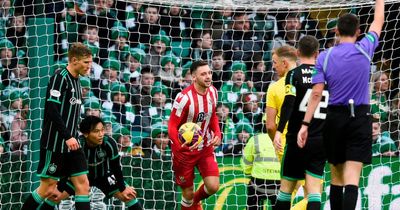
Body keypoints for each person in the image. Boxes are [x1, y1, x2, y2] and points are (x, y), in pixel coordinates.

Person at [297, 1, 384, 209]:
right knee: (352, 178)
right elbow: (379, 20)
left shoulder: (324, 57)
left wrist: (305, 124)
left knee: (336, 177)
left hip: (334, 118)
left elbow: (316, 93)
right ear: (359, 32)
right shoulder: (365, 48)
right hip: (359, 116)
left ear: (336, 30)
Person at [21, 42, 93, 210]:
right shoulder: (59, 77)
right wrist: (67, 136)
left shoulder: (77, 81)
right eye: (86, 62)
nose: (89, 66)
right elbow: (52, 110)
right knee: (48, 189)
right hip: (56, 143)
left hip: (72, 144)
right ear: (74, 60)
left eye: (90, 62)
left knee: (83, 184)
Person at [40, 116, 143, 210]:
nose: (101, 134)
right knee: (53, 197)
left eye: (102, 130)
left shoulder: (109, 143)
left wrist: (123, 188)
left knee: (129, 196)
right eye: (96, 131)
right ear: (85, 133)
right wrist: (60, 188)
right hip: (79, 177)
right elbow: (67, 168)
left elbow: (115, 167)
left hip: (103, 176)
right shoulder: (77, 145)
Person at [274, 35, 327, 210]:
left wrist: (279, 131)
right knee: (314, 193)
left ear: (297, 53)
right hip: (319, 140)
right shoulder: (325, 76)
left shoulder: (293, 74)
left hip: (296, 138)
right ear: (317, 54)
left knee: (286, 191)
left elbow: (289, 103)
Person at [168, 60, 221, 210]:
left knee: (213, 186)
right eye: (203, 74)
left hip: (204, 147)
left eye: (209, 73)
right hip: (184, 151)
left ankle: (194, 203)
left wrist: (217, 132)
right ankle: (191, 204)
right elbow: (171, 125)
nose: (208, 76)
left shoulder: (213, 92)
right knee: (188, 193)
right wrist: (179, 146)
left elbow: (213, 116)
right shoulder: (184, 98)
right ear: (193, 77)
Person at [242, 132, 281, 210]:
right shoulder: (284, 138)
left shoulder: (255, 139)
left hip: (258, 183)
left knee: (252, 193)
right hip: (279, 183)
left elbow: (246, 162)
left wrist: (248, 172)